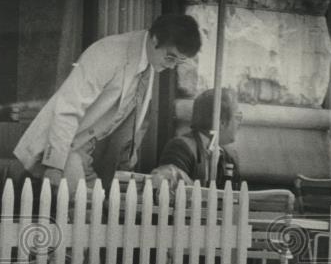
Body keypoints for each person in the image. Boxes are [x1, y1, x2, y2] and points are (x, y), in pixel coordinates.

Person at [13, 14, 202, 191]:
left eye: (179, 62)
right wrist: (54, 165)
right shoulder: (108, 52)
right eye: (170, 57)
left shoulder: (150, 64)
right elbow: (68, 107)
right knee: (83, 215)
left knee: (97, 214)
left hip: (88, 158)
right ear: (155, 40)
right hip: (63, 150)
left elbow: (133, 124)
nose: (171, 66)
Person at [153, 87, 242, 187]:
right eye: (238, 116)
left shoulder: (230, 158)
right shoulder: (180, 149)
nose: (240, 123)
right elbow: (172, 193)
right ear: (221, 122)